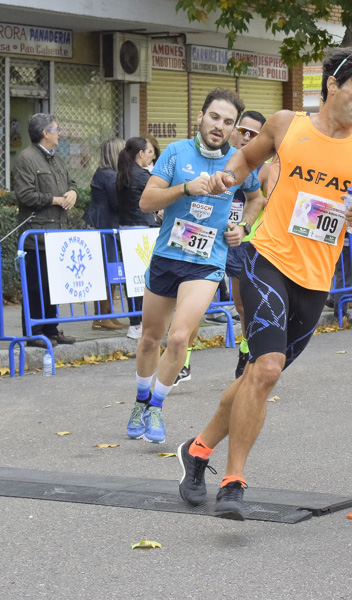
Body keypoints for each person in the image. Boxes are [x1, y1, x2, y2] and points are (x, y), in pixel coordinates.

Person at [176, 47, 352, 520]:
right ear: (333, 84)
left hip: (316, 279)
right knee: (266, 368)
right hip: (266, 257)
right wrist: (221, 181)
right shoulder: (288, 124)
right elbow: (244, 163)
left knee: (257, 376)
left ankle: (198, 449)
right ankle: (234, 481)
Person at [125, 88, 259, 445]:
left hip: (207, 262)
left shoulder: (239, 161)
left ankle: (156, 406)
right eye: (214, 117)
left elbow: (258, 198)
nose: (220, 126)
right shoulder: (175, 153)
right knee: (151, 338)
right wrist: (186, 188)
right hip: (168, 256)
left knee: (180, 336)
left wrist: (242, 226)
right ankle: (140, 401)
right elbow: (146, 200)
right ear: (200, 117)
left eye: (228, 122)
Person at [12, 113, 78, 348]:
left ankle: (51, 329)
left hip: (57, 234)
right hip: (36, 234)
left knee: (53, 285)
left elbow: (71, 183)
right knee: (35, 285)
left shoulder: (56, 158)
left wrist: (72, 193)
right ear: (45, 133)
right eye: (56, 129)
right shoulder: (26, 158)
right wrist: (55, 200)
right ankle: (33, 332)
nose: (59, 133)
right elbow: (25, 195)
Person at [223, 110, 271, 378]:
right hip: (213, 240)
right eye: (242, 130)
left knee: (244, 307)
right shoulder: (218, 159)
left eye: (254, 134)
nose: (246, 137)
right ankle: (183, 361)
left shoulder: (265, 169)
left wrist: (246, 225)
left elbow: (267, 201)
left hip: (249, 244)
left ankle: (246, 350)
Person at [116, 137, 159, 340]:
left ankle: (136, 323)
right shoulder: (142, 176)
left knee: (133, 280)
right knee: (145, 279)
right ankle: (143, 322)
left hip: (126, 228)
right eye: (149, 152)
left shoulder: (122, 173)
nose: (152, 156)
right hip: (142, 229)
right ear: (140, 154)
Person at [86, 137, 128, 332]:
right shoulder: (109, 176)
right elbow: (117, 203)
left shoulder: (105, 174)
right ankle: (102, 316)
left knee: (110, 271)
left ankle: (107, 313)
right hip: (104, 227)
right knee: (106, 271)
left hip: (104, 225)